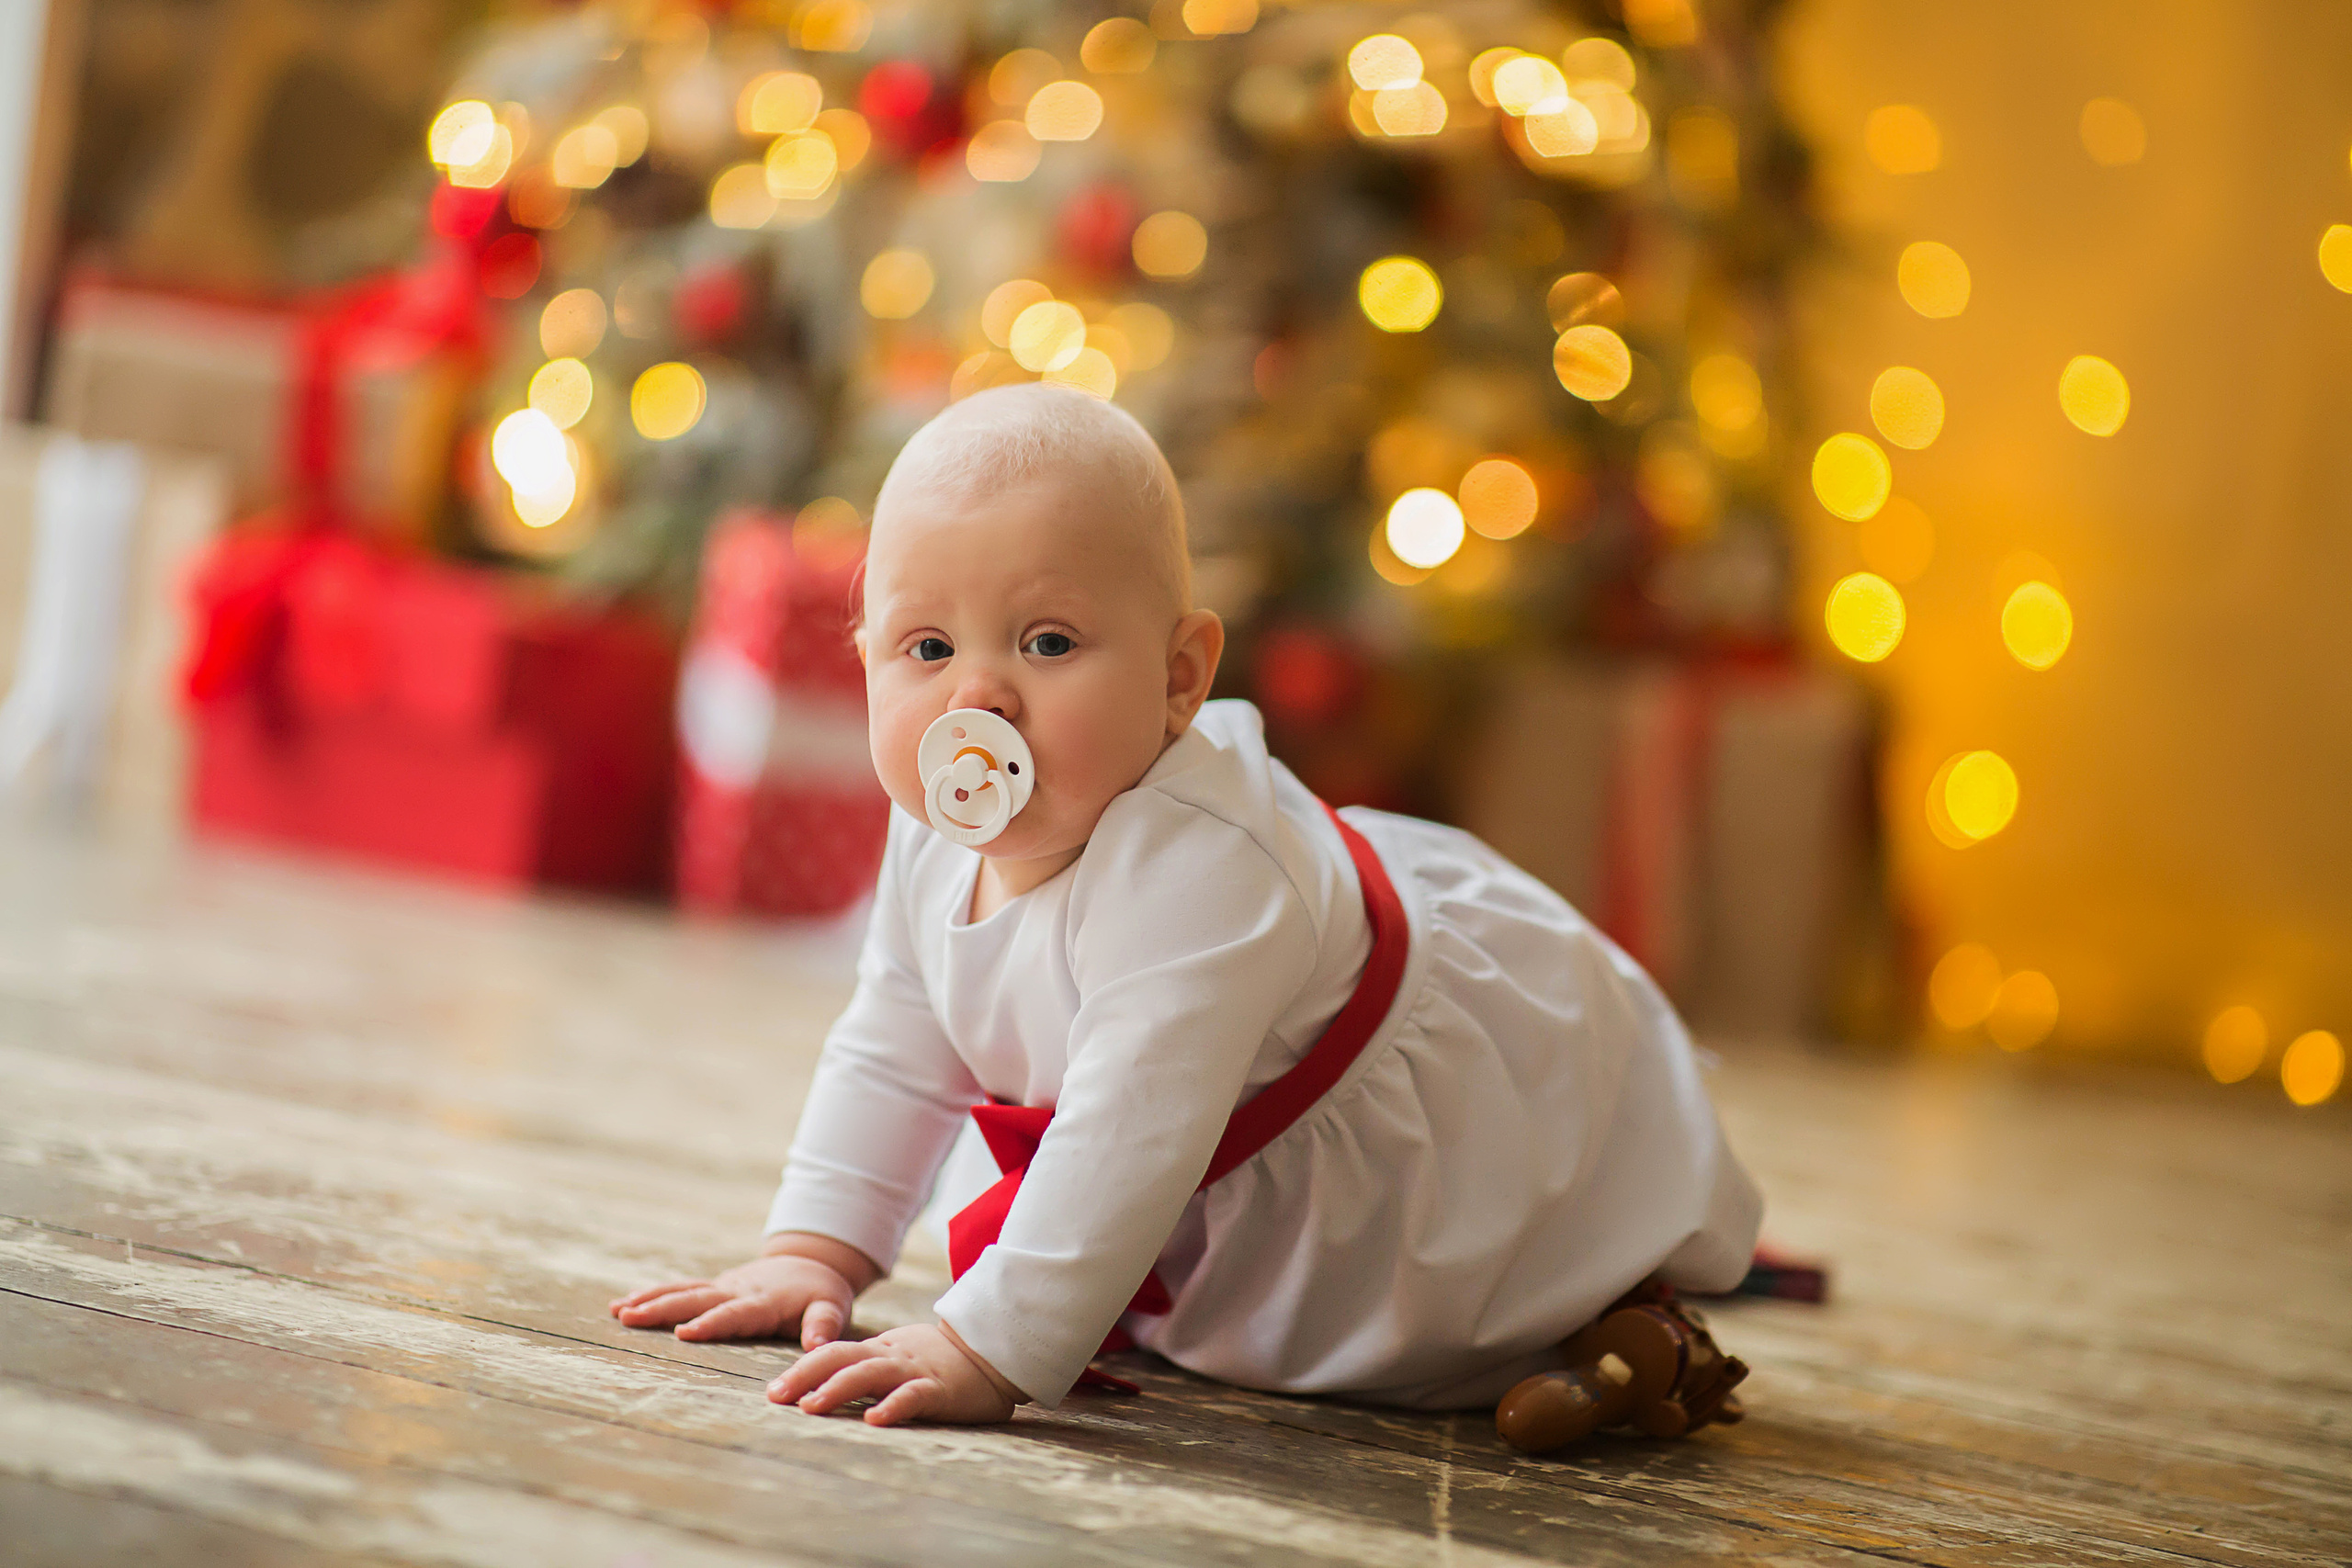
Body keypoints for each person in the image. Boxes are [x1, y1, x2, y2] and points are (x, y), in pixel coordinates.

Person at [610, 383, 1761, 1427]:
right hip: (1196, 1166)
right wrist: (814, 1253)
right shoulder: (931, 829)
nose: (977, 697)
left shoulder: (1203, 871)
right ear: (862, 659)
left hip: (1417, 1152)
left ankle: (1612, 1318)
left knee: (1469, 1305)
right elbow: (894, 1047)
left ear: (1178, 679)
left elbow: (1131, 1127)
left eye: (1047, 640)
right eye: (924, 645)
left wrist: (991, 1344)